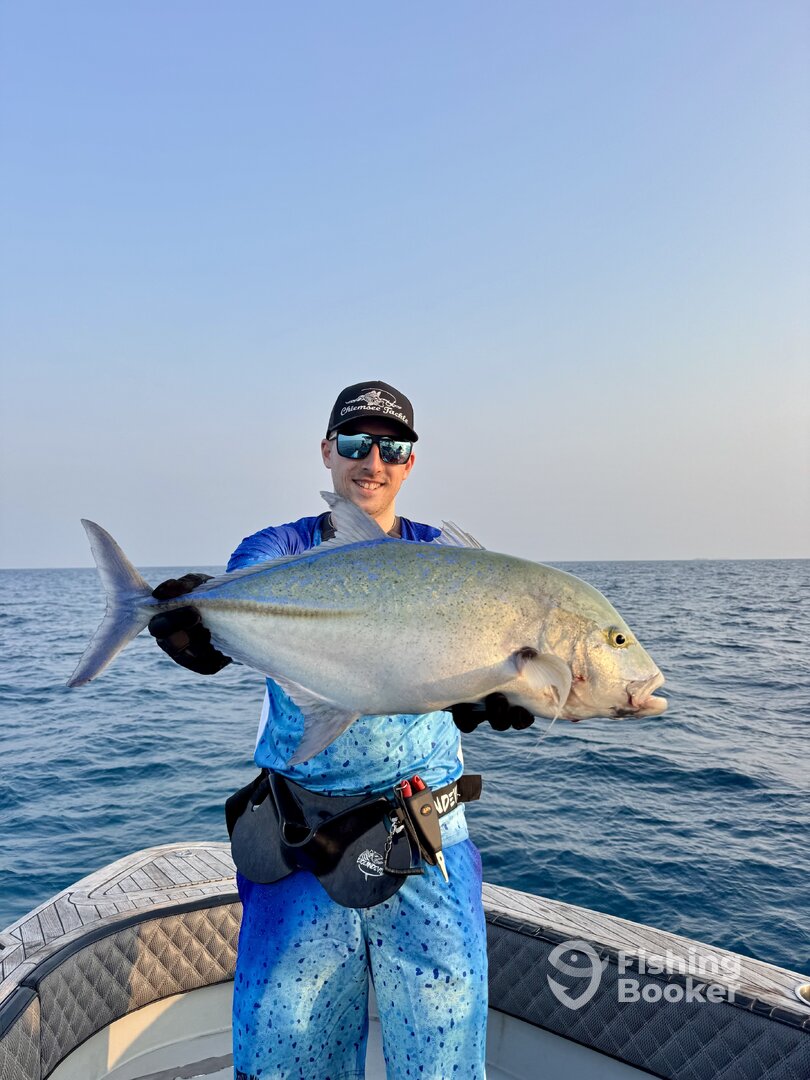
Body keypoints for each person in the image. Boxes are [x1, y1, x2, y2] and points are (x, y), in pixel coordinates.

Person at [148, 381, 533, 1080]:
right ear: (328, 451)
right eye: (356, 442)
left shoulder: (443, 560)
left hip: (426, 840)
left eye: (392, 447)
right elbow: (247, 596)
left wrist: (485, 693)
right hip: (300, 840)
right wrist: (208, 628)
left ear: (411, 461)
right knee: (287, 1055)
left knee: (444, 1056)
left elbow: (478, 652)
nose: (372, 461)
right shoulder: (280, 545)